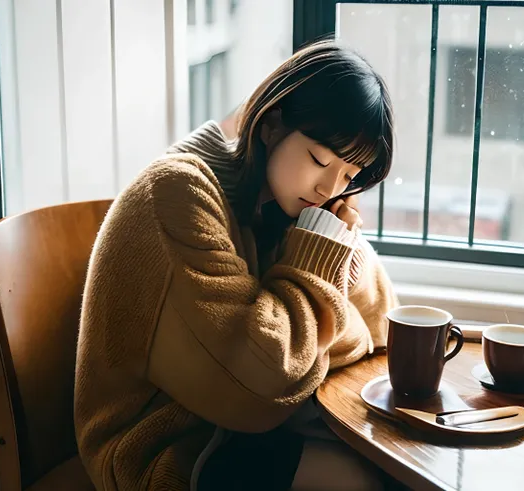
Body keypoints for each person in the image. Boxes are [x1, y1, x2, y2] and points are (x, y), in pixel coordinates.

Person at [74, 39, 399, 491]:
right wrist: (318, 260)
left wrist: (331, 237)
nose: (330, 187)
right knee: (359, 479)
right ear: (270, 127)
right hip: (160, 449)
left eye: (349, 175)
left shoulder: (283, 208)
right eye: (319, 159)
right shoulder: (177, 192)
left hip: (239, 428)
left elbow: (380, 328)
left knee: (390, 462)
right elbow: (265, 382)